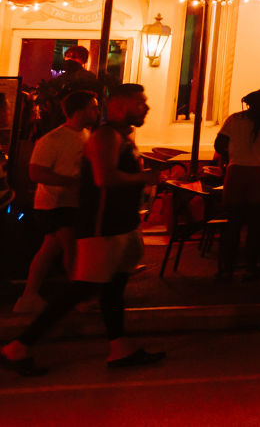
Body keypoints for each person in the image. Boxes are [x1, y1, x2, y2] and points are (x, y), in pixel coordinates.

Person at [1, 84, 165, 376]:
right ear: (118, 107)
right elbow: (105, 178)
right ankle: (19, 346)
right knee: (81, 289)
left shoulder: (119, 136)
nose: (147, 107)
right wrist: (147, 176)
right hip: (101, 227)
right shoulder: (105, 136)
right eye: (140, 102)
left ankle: (119, 348)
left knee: (113, 288)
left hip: (120, 225)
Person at [14, 91, 100, 314]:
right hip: (54, 204)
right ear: (79, 111)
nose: (97, 112)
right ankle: (76, 299)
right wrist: (71, 182)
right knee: (70, 249)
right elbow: (35, 173)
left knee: (49, 250)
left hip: (68, 203)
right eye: (93, 107)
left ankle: (28, 297)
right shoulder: (53, 139)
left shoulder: (85, 135)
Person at [215, 88, 260, 281]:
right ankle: (253, 267)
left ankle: (227, 268)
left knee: (233, 223)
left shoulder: (234, 119)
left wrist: (233, 154)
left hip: (236, 172)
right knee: (258, 224)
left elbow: (218, 145)